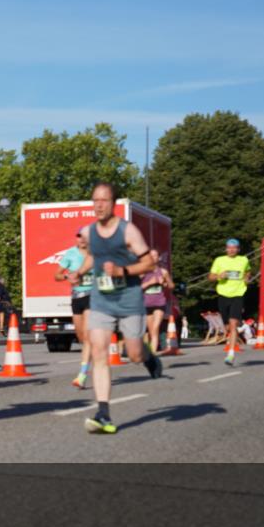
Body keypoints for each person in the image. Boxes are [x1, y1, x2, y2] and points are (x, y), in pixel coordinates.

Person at [67, 182, 162, 434]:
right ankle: (103, 413)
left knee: (134, 355)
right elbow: (92, 257)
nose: (99, 205)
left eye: (104, 200)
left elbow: (149, 264)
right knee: (99, 352)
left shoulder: (128, 231)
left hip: (129, 299)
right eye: (95, 200)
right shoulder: (89, 232)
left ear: (113, 203)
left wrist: (124, 271)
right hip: (101, 300)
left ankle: (149, 356)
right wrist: (78, 272)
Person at [55, 227, 93, 389]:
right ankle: (92, 355)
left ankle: (82, 374)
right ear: (76, 238)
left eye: (85, 237)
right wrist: (66, 276)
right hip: (76, 297)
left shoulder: (95, 254)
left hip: (93, 295)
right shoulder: (70, 254)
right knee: (81, 337)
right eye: (79, 236)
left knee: (88, 335)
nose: (82, 239)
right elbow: (56, 275)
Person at [209, 238, 251, 366]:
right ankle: (231, 341)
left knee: (233, 324)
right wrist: (218, 276)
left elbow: (248, 271)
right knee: (227, 326)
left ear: (238, 249)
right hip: (223, 294)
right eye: (229, 247)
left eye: (234, 248)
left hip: (238, 294)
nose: (232, 250)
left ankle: (231, 354)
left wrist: (246, 278)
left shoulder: (244, 260)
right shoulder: (219, 260)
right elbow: (210, 277)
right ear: (226, 248)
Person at [141, 249, 174, 354]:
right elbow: (137, 288)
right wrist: (150, 282)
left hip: (159, 302)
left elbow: (172, 286)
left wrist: (166, 281)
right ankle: (150, 352)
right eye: (151, 256)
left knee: (155, 328)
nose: (153, 258)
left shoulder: (163, 271)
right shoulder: (142, 272)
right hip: (146, 303)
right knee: (151, 331)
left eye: (155, 255)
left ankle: (153, 354)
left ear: (159, 258)